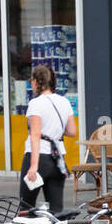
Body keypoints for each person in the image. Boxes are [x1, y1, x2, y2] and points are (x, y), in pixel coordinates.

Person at [20, 64, 77, 210]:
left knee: (26, 207)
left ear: (36, 82)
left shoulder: (35, 103)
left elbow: (35, 135)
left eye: (31, 80)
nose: (31, 84)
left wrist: (33, 166)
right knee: (56, 209)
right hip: (58, 158)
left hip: (40, 157)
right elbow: (71, 131)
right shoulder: (64, 101)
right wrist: (55, 130)